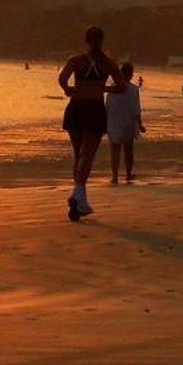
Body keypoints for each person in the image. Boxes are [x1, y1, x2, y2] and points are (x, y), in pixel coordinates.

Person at [57, 25, 120, 220]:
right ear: (102, 40)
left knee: (79, 155)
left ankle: (79, 199)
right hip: (94, 108)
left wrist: (68, 89)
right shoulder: (108, 63)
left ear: (86, 40)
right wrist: (102, 89)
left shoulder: (76, 61)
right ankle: (78, 196)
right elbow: (121, 86)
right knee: (87, 155)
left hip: (76, 108)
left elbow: (62, 79)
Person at [106, 61, 146, 184]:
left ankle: (115, 176)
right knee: (128, 149)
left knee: (115, 150)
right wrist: (140, 125)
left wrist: (104, 123)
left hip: (113, 122)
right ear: (131, 74)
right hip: (128, 123)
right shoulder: (134, 89)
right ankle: (128, 174)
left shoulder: (113, 88)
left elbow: (107, 107)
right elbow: (136, 109)